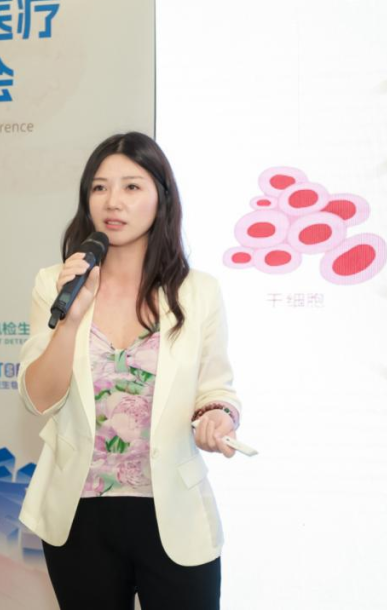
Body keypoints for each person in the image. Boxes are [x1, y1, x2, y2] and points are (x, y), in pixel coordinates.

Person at [17, 132, 242, 610]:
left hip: (174, 512)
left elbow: (215, 389)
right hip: (80, 517)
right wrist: (71, 318)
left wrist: (218, 416)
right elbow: (39, 398)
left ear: (162, 198)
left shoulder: (198, 292)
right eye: (99, 187)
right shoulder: (54, 284)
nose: (112, 201)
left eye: (131, 187)